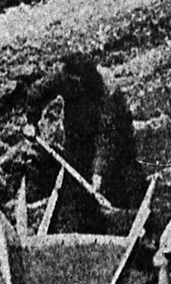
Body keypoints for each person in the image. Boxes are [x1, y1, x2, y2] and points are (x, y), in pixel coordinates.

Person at [26, 52, 147, 227]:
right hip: (78, 130)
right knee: (78, 176)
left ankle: (131, 210)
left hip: (115, 130)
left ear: (85, 80)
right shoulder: (63, 75)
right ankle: (86, 218)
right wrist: (32, 121)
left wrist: (98, 172)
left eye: (77, 84)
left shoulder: (107, 88)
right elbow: (36, 92)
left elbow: (107, 136)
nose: (73, 85)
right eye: (71, 83)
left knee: (120, 173)